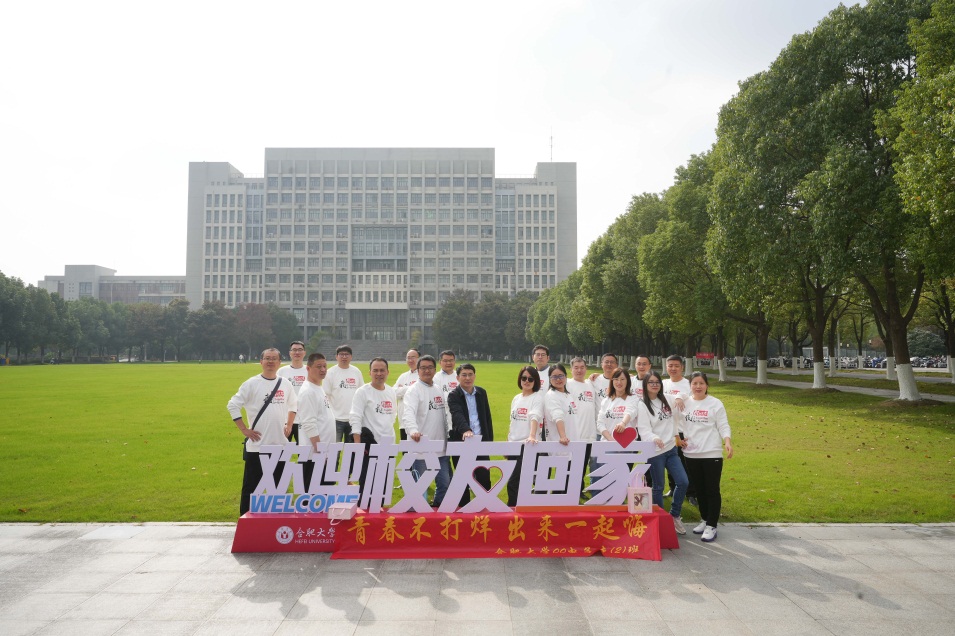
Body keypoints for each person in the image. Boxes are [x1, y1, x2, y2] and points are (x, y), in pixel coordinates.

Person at [227, 348, 297, 516]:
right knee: (252, 488)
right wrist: (244, 429)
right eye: (267, 358)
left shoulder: (285, 383)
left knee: (279, 488)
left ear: (279, 362)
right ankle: (246, 521)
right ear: (261, 362)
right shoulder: (252, 383)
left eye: (274, 359)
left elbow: (293, 405)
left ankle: (278, 522)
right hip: (258, 446)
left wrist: (289, 424)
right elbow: (232, 405)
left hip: (280, 445)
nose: (270, 361)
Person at [679, 372, 733, 542]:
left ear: (707, 385)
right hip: (691, 453)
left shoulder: (715, 403)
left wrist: (727, 441)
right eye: (694, 383)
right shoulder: (684, 402)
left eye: (701, 383)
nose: (698, 386)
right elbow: (676, 423)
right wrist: (679, 439)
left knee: (712, 489)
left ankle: (712, 525)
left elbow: (723, 425)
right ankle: (704, 519)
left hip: (712, 453)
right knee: (699, 489)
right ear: (690, 386)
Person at [634, 370, 689, 535]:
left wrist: (679, 397)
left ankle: (674, 515)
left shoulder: (667, 399)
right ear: (645, 385)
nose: (654, 385)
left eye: (657, 382)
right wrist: (654, 438)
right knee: (658, 487)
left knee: (683, 481)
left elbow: (684, 394)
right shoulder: (642, 404)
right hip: (655, 451)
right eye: (651, 382)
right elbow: (644, 429)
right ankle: (661, 521)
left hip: (671, 449)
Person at [402, 355, 452, 507]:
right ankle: (418, 512)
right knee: (420, 486)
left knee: (445, 483)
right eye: (423, 368)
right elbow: (408, 413)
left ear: (435, 370)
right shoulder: (413, 390)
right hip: (421, 446)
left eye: (430, 367)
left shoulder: (438, 389)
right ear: (418, 370)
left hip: (441, 447)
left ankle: (438, 509)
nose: (427, 371)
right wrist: (413, 431)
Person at [348, 358, 398, 501]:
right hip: (369, 447)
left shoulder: (391, 391)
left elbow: (393, 416)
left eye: (382, 370)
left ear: (388, 372)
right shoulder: (362, 392)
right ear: (370, 373)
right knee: (367, 491)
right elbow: (355, 417)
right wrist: (358, 444)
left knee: (382, 491)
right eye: (375, 370)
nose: (379, 373)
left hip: (388, 446)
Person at [447, 363, 494, 506]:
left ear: (474, 376)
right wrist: (466, 430)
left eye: (470, 375)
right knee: (463, 480)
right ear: (457, 377)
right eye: (464, 375)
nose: (467, 378)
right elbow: (457, 415)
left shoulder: (481, 393)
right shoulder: (453, 395)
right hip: (462, 442)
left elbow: (487, 418)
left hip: (481, 442)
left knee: (484, 477)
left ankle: (484, 507)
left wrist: (489, 441)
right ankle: (464, 509)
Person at [506, 366, 544, 507]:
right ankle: (519, 508)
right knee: (517, 481)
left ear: (536, 381)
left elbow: (535, 416)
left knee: (514, 482)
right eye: (524, 378)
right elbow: (513, 421)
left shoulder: (537, 398)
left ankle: (513, 509)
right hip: (513, 445)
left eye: (530, 379)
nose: (527, 381)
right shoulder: (516, 398)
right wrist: (508, 442)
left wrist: (532, 435)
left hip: (527, 445)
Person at [297, 352, 334, 491]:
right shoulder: (308, 392)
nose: (323, 370)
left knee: (325, 493)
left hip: (323, 452)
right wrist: (320, 450)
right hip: (313, 455)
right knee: (312, 494)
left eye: (325, 366)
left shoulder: (318, 388)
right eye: (319, 367)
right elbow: (309, 423)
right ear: (308, 368)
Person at [663, 355, 694, 502]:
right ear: (666, 367)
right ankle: (673, 487)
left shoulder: (689, 384)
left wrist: (681, 396)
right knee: (670, 461)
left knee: (687, 461)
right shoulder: (663, 383)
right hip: (668, 430)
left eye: (676, 366)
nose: (673, 368)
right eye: (670, 366)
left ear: (682, 367)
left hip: (685, 430)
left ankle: (691, 493)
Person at [567, 357, 598, 500]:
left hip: (589, 434)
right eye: (576, 367)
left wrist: (596, 375)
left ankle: (578, 490)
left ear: (586, 369)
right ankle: (570, 492)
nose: (579, 370)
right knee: (572, 465)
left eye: (582, 367)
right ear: (571, 369)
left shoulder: (590, 384)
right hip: (574, 434)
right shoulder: (567, 384)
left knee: (583, 465)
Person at [324, 345, 365, 443]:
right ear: (336, 357)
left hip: (353, 419)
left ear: (351, 357)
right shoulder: (330, 373)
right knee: (334, 449)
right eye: (341, 354)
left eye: (347, 354)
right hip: (335, 418)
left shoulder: (356, 372)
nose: (344, 357)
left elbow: (361, 393)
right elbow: (325, 395)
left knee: (351, 449)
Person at [277, 341, 308, 443]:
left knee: (305, 450)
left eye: (300, 350)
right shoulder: (281, 372)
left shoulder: (310, 371)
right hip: (285, 419)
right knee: (282, 450)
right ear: (290, 353)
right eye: (294, 350)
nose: (297, 352)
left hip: (304, 419)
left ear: (304, 353)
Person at [392, 348, 420, 441]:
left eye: (413, 357)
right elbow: (393, 393)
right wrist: (410, 388)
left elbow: (420, 392)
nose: (410, 360)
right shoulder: (403, 376)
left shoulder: (423, 375)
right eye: (408, 358)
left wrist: (402, 388)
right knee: (405, 449)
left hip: (419, 422)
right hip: (403, 422)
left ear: (419, 359)